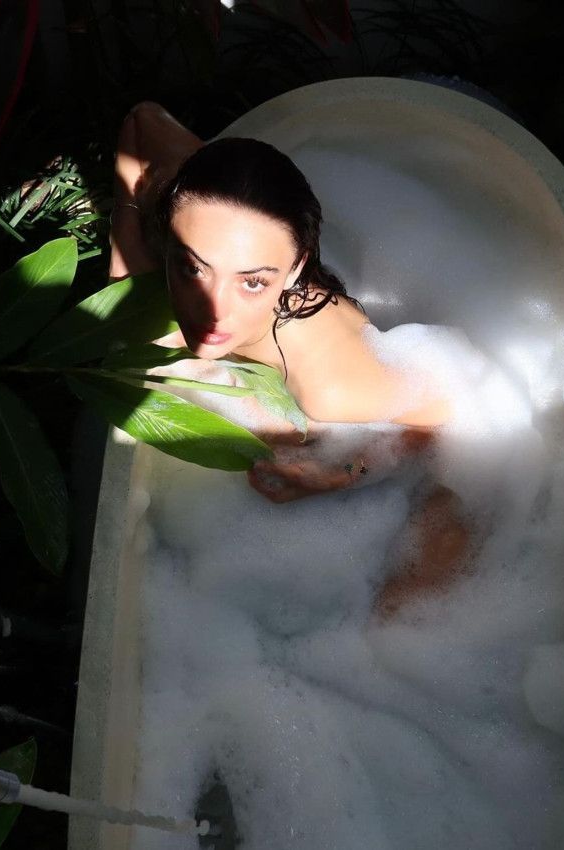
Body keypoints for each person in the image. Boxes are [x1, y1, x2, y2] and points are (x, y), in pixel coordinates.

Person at [109, 101, 469, 615]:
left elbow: (463, 413)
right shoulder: (202, 201)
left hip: (450, 475)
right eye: (193, 268)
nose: (214, 310)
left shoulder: (327, 386)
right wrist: (127, 225)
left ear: (295, 268)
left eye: (252, 282)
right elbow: (141, 121)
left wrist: (340, 473)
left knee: (395, 619)